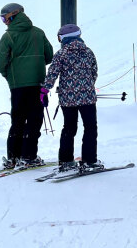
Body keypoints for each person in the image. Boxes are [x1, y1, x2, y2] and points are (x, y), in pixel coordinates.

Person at [0, 2, 53, 169]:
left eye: (4, 19)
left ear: (13, 15)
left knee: (18, 120)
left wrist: (9, 74)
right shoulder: (39, 33)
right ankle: (29, 156)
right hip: (38, 84)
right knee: (34, 121)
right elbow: (49, 56)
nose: (4, 22)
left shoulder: (8, 37)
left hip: (17, 86)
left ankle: (14, 156)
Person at [41, 23, 103, 174]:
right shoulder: (88, 52)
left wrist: (44, 90)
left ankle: (66, 160)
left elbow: (52, 74)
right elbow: (94, 72)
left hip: (67, 99)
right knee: (90, 128)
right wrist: (87, 85)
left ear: (63, 38)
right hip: (87, 97)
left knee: (69, 128)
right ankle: (89, 160)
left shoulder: (61, 54)